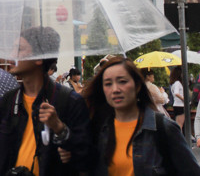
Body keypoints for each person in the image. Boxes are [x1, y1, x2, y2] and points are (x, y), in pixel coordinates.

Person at [0, 26, 91, 175]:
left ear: (38, 58)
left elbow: (87, 158)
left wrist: (60, 129)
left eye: (19, 50)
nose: (11, 55)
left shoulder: (70, 102)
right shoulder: (5, 104)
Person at [68, 56, 200, 175]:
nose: (115, 89)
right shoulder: (98, 129)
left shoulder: (162, 128)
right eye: (108, 84)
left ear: (137, 86)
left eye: (122, 81)